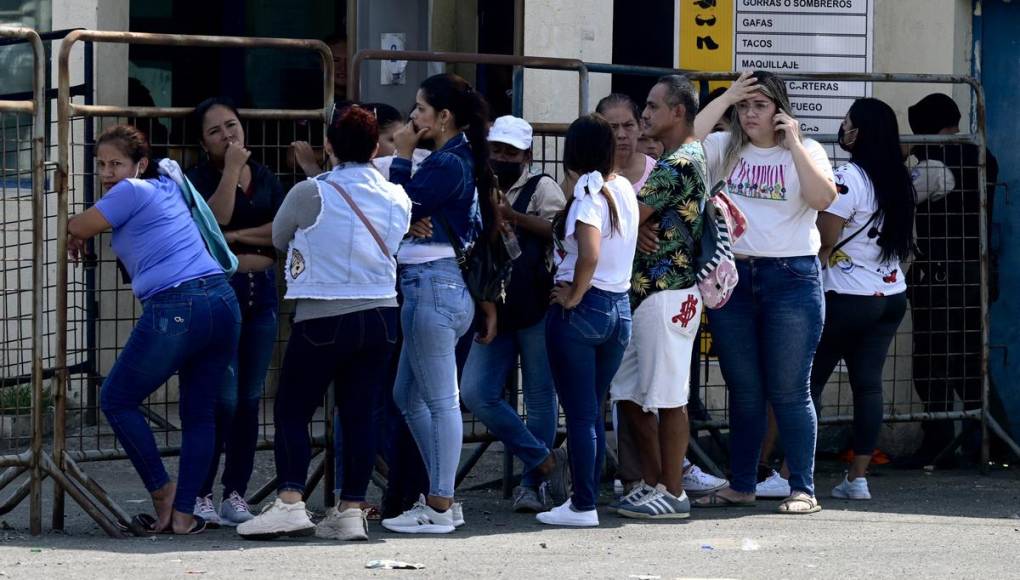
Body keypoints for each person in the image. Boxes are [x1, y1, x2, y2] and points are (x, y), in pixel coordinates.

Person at [236, 107, 411, 541]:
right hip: (382, 314)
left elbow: (279, 238)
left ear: (328, 146)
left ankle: (291, 501)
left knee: (293, 409)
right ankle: (352, 509)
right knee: (360, 414)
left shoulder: (309, 192)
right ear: (376, 148)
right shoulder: (398, 197)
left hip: (322, 315)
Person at [68, 125, 240, 535]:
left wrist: (76, 235)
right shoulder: (166, 186)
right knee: (199, 414)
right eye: (101, 165)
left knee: (116, 398)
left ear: (139, 165)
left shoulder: (130, 191)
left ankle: (163, 493)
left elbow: (79, 225)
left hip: (177, 304)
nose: (108, 173)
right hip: (221, 301)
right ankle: (182, 515)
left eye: (117, 164)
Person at [691, 71, 836, 514]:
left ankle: (803, 488)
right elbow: (686, 141)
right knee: (745, 388)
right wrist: (728, 96)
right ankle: (742, 483)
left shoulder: (808, 151)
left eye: (759, 106)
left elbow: (823, 198)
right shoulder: (723, 147)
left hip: (791, 278)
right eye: (744, 107)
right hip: (733, 276)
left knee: (790, 389)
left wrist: (792, 145)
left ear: (779, 110)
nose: (750, 114)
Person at [380, 73, 489, 534]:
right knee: (408, 395)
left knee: (443, 400)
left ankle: (441, 503)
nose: (413, 118)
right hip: (438, 286)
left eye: (420, 109)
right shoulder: (453, 157)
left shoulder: (448, 162)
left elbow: (397, 205)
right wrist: (410, 215)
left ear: (443, 117)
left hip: (434, 286)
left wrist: (402, 157)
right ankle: (441, 491)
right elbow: (408, 211)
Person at [606, 75, 708, 520]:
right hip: (644, 294)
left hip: (667, 294)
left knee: (668, 398)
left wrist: (621, 209)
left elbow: (624, 214)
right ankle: (652, 485)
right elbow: (633, 217)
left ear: (677, 112)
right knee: (628, 393)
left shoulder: (679, 164)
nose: (644, 115)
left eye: (651, 106)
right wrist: (636, 222)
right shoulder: (675, 160)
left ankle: (674, 492)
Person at [185, 97, 285, 527]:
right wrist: (228, 174)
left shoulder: (265, 177)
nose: (228, 136)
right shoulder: (198, 178)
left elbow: (281, 231)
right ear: (202, 143)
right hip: (220, 295)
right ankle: (201, 493)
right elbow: (211, 218)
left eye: (232, 125)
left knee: (249, 399)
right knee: (220, 399)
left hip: (261, 293)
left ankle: (236, 493)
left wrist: (231, 236)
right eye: (215, 131)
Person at [459, 115, 567, 513]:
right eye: (497, 150)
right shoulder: (474, 185)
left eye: (511, 152)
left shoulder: (542, 187)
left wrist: (513, 217)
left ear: (527, 155)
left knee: (540, 397)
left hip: (535, 304)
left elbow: (560, 231)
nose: (502, 158)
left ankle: (531, 484)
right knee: (476, 392)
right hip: (491, 307)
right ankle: (543, 459)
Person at [810, 98, 916, 500]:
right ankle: (858, 478)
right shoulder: (897, 179)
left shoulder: (848, 176)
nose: (843, 129)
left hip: (846, 297)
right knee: (868, 386)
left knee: (809, 384)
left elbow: (826, 238)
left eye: (847, 123)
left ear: (860, 133)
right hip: (890, 295)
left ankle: (790, 472)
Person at [537, 114, 640, 527]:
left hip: (585, 309)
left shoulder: (588, 196)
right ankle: (585, 500)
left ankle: (583, 504)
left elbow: (590, 253)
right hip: (619, 308)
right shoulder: (624, 191)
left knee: (580, 415)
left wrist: (574, 295)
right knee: (592, 410)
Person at [900, 93, 1000, 468]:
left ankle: (938, 446)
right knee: (971, 364)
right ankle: (989, 446)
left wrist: (901, 156)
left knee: (931, 364)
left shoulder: (934, 165)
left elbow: (898, 197)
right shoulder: (981, 153)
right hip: (976, 274)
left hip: (941, 279)